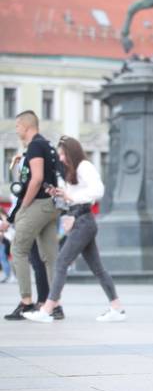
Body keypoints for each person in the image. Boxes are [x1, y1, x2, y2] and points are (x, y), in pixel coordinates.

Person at [24, 136, 125, 323]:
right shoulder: (73, 172)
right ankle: (116, 307)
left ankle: (47, 309)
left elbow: (98, 191)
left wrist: (70, 196)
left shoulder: (84, 166)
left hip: (84, 222)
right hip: (80, 220)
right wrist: (60, 195)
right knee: (98, 268)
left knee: (61, 261)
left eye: (62, 154)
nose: (61, 158)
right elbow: (72, 199)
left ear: (71, 152)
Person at [4, 111, 61, 321]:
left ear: (25, 126)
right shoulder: (46, 145)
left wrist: (24, 207)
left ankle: (26, 302)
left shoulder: (36, 146)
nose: (16, 130)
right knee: (49, 257)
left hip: (37, 203)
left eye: (17, 126)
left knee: (17, 249)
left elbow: (35, 179)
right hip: (50, 205)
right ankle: (55, 305)